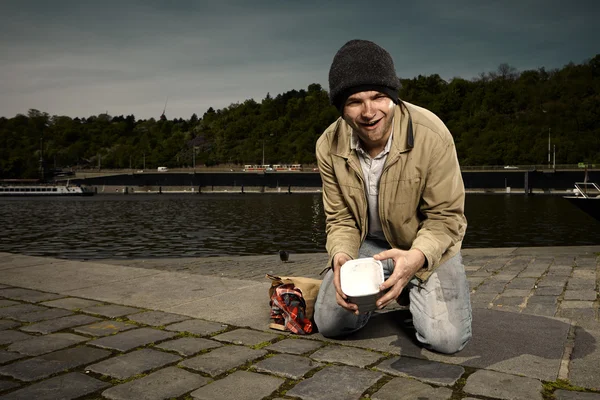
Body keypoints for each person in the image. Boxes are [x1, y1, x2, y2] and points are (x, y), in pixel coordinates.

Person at [314, 39, 472, 354]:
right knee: (330, 325)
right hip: (368, 249)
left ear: (394, 98)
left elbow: (447, 217)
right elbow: (341, 219)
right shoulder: (327, 146)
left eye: (378, 97)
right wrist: (341, 258)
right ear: (341, 108)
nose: (369, 112)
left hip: (423, 246)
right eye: (354, 101)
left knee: (446, 340)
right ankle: (390, 290)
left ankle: (412, 287)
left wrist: (416, 259)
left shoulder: (433, 134)